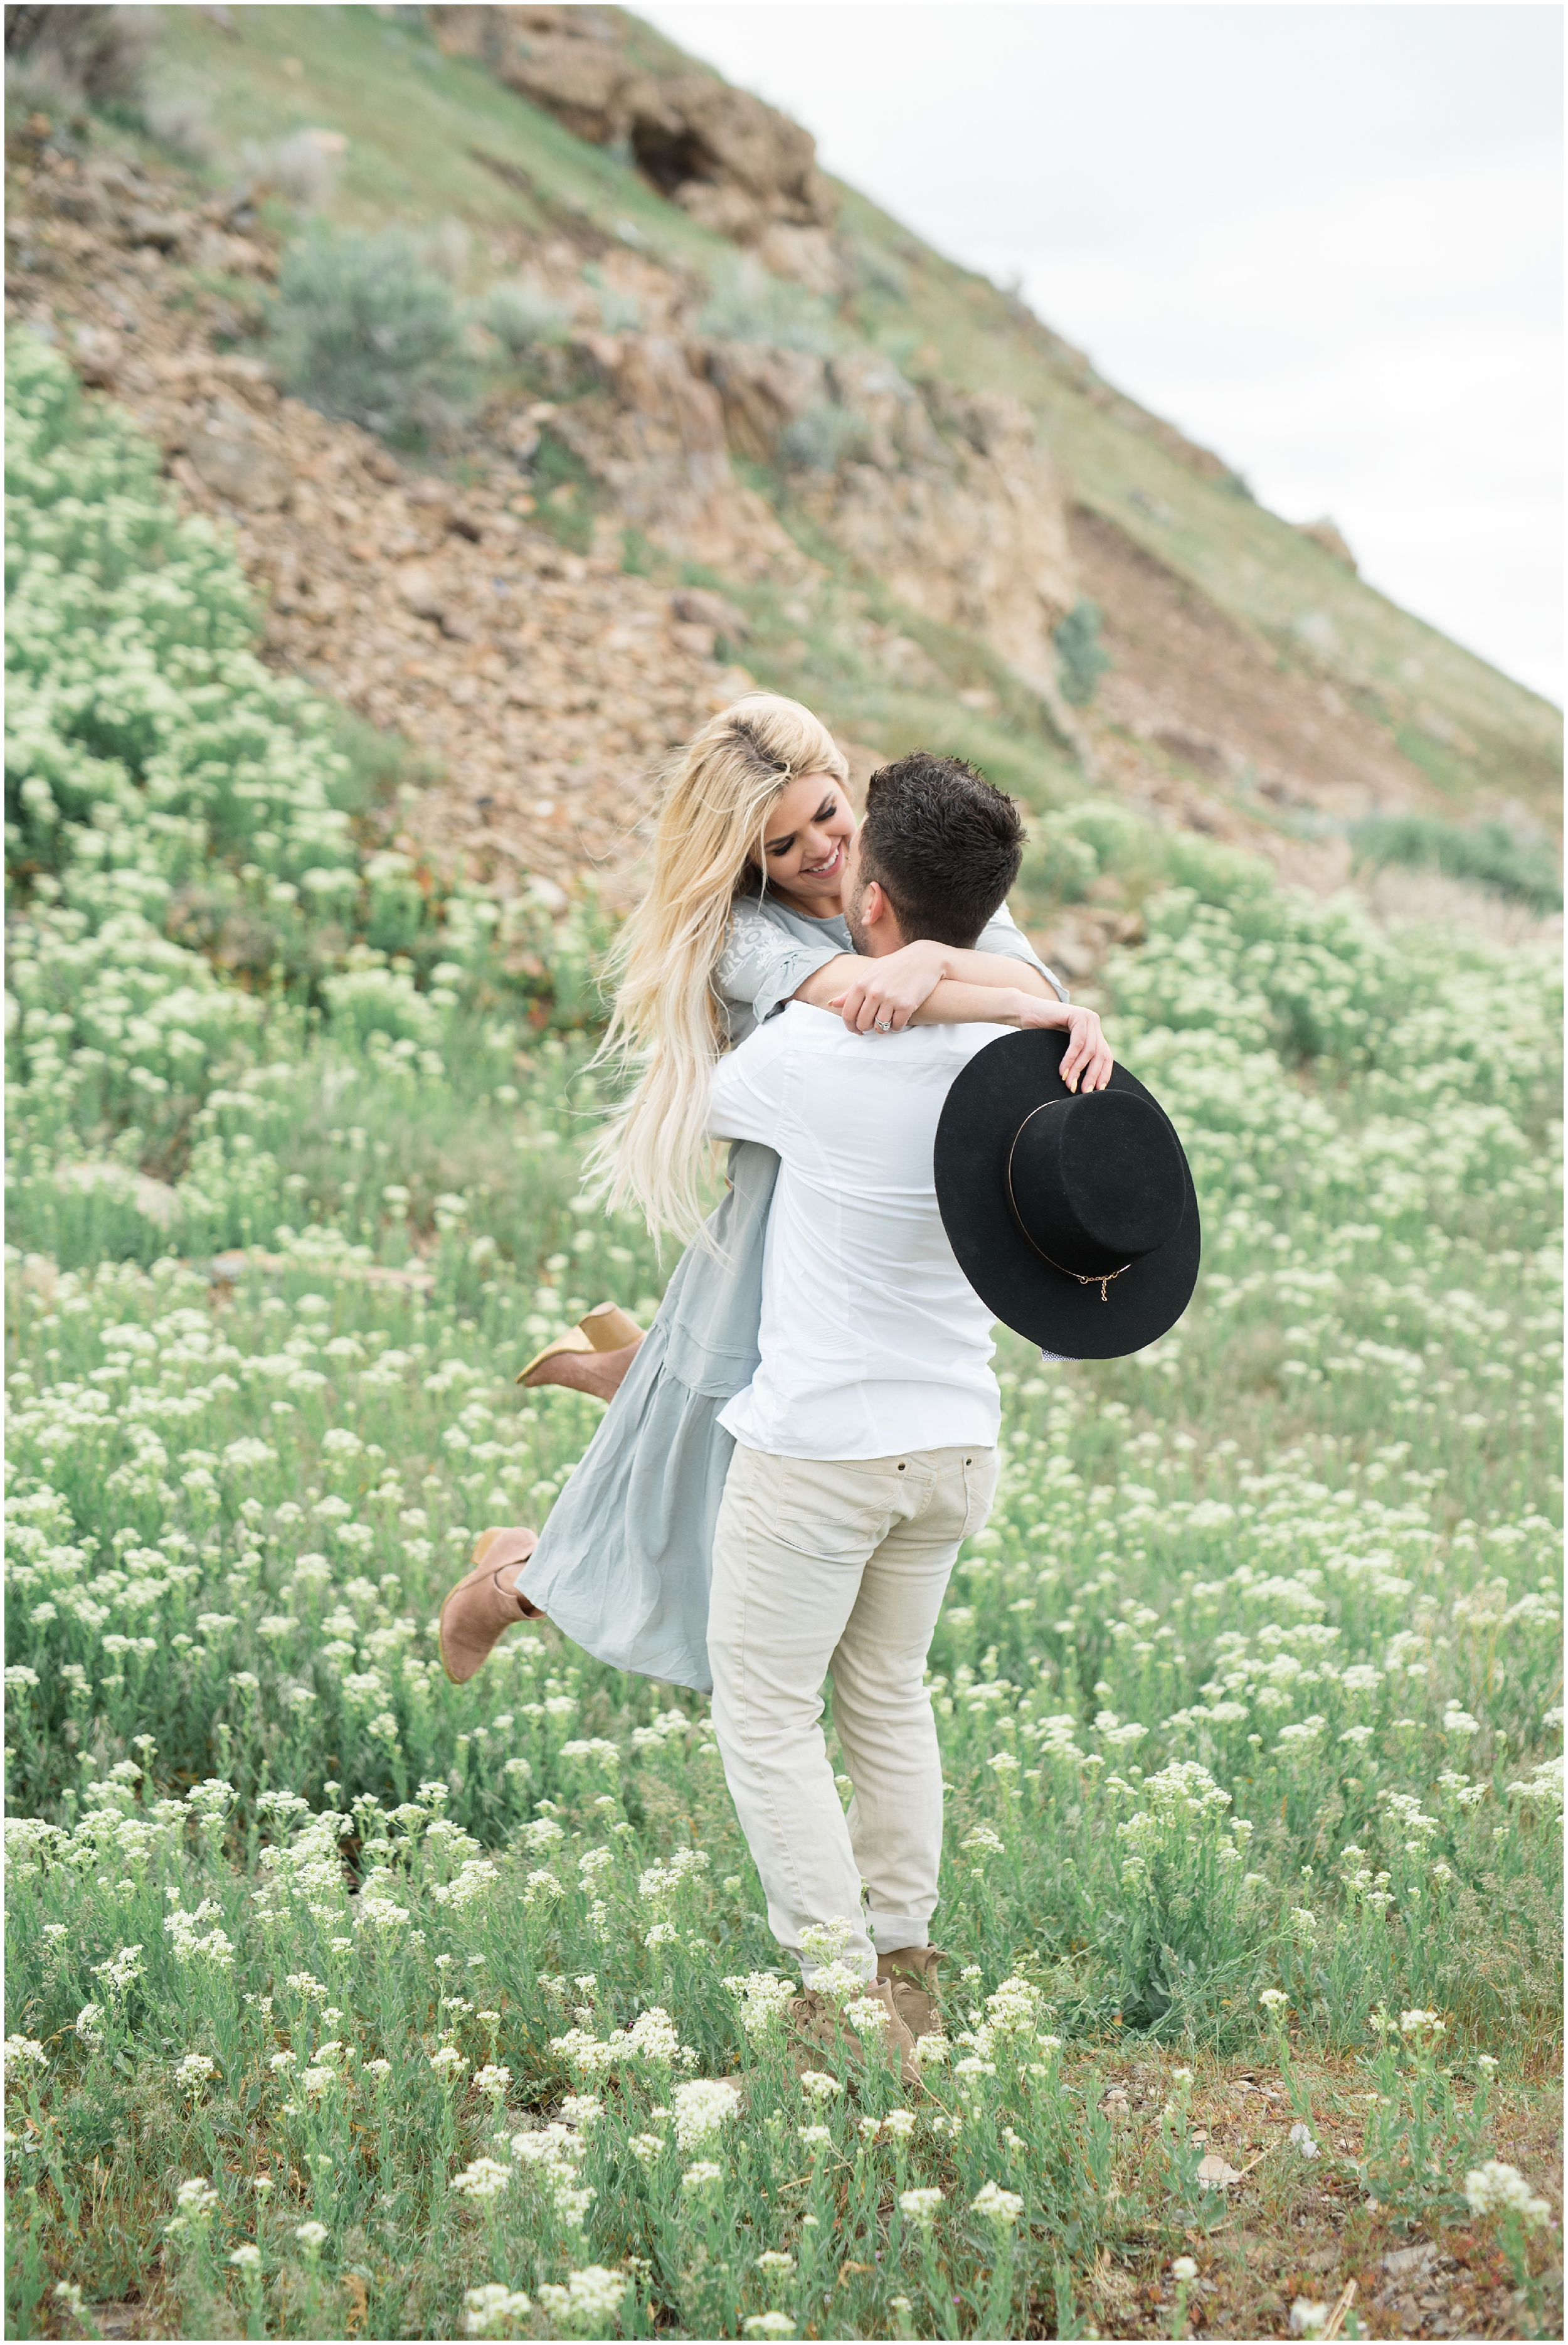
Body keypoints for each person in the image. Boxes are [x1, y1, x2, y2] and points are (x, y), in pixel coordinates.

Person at [437, 695, 1110, 1696]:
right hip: (779, 1236)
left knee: (731, 1522)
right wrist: (991, 983)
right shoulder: (746, 934)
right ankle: (504, 1583)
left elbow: (1016, 960)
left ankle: (634, 1368)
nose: (820, 853)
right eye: (782, 844)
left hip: (869, 1227)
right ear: (747, 857)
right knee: (682, 1540)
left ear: (847, 782)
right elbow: (862, 999)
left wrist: (956, 959)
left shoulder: (902, 860)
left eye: (829, 816)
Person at [699, 752, 1042, 2076]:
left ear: (874, 904)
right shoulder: (1027, 1038)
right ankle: (905, 1966)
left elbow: (696, 1097)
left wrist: (826, 980)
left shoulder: (812, 1053)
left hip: (821, 1448)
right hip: (958, 1438)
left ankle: (835, 1996)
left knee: (767, 1713)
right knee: (886, 1695)